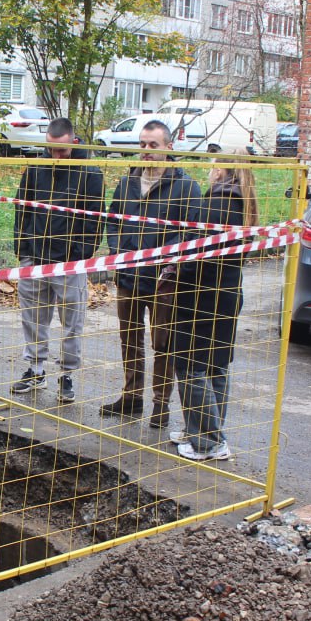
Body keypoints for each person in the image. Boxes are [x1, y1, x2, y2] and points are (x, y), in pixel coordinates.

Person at [101, 120, 201, 428]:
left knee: (163, 342)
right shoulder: (128, 182)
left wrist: (162, 260)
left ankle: (161, 403)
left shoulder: (186, 187)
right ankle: (131, 397)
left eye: (152, 145)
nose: (146, 151)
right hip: (129, 277)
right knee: (129, 339)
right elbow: (114, 220)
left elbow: (189, 232)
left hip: (164, 281)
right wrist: (119, 253)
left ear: (168, 148)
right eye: (142, 145)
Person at [10, 117, 105, 403]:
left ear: (74, 142)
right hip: (35, 257)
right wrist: (23, 250)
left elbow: (95, 219)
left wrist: (80, 255)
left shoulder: (90, 173)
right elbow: (21, 209)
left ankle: (67, 374)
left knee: (71, 321)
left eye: (62, 150)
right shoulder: (36, 169)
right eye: (51, 149)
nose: (56, 156)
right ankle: (36, 368)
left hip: (70, 262)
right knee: (33, 317)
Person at [170, 162, 258, 461]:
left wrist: (174, 270)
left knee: (190, 366)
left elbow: (194, 253)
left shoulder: (216, 203)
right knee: (215, 365)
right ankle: (203, 431)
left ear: (220, 170)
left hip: (201, 296)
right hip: (228, 294)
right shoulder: (242, 200)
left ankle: (208, 442)